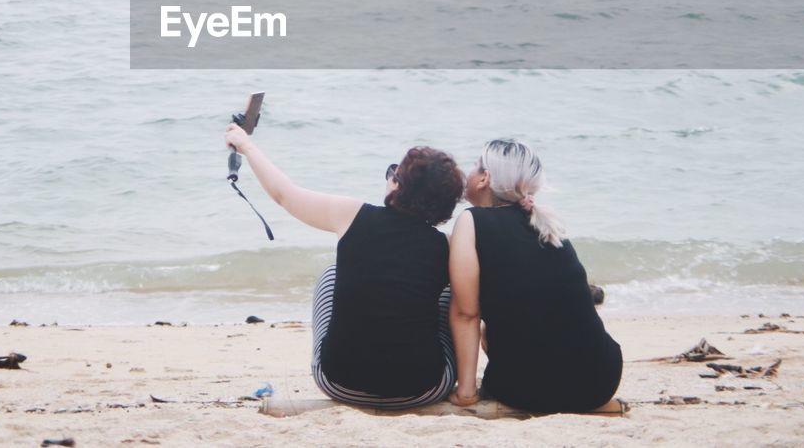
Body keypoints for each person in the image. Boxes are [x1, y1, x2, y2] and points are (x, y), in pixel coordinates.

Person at [224, 123, 464, 408]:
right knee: (453, 294)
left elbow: (284, 195)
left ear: (397, 185)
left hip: (339, 383)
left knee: (331, 275)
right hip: (423, 389)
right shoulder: (448, 246)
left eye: (393, 173)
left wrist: (247, 146)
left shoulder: (351, 215)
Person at [448, 139, 626, 414]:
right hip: (601, 379)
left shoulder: (471, 221)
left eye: (474, 166)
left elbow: (466, 314)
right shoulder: (546, 225)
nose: (469, 173)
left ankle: (536, 388)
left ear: (485, 178)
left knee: (485, 329)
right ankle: (584, 400)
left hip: (528, 391)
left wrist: (466, 394)